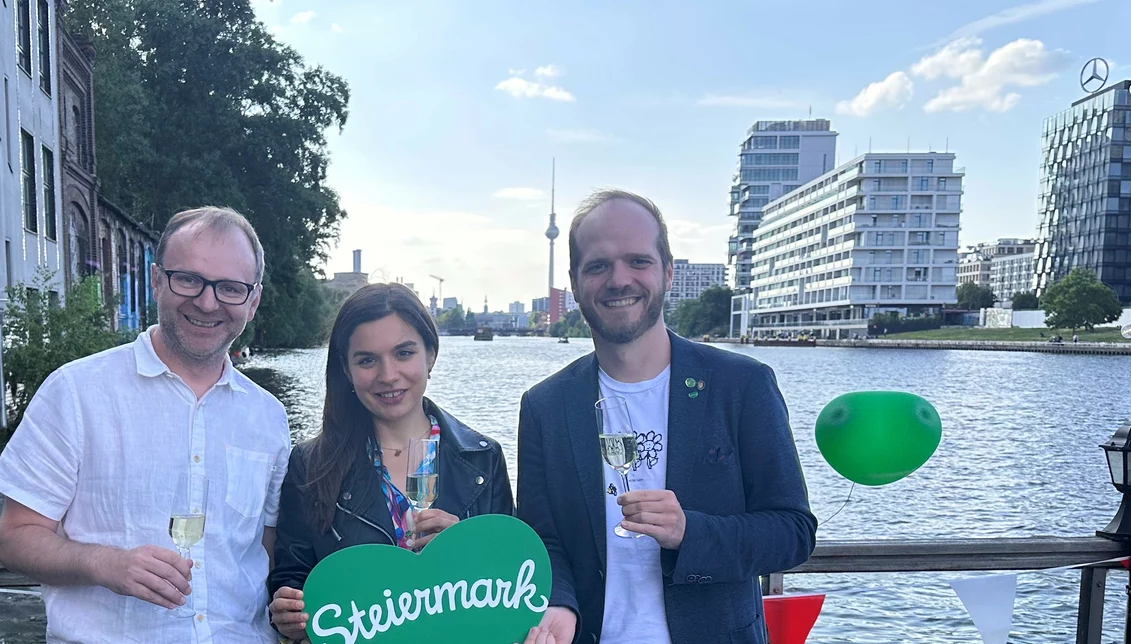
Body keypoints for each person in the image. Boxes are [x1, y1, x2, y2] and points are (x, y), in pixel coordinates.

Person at [516, 190, 817, 644]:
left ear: (668, 273)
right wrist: (559, 602)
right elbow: (544, 541)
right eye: (598, 265)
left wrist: (689, 532)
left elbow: (793, 532)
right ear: (575, 285)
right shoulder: (545, 406)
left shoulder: (741, 385)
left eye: (638, 261)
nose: (619, 280)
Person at [0, 207, 292, 643]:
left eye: (230, 288)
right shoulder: (76, 392)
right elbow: (15, 538)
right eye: (188, 279)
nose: (208, 302)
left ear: (253, 300)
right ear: (156, 279)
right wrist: (105, 563)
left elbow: (263, 549)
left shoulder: (268, 417)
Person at [265, 283, 515, 640]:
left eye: (403, 353)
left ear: (430, 354)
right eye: (367, 359)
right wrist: (286, 611)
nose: (388, 375)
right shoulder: (310, 465)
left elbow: (510, 585)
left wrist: (467, 549)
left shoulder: (483, 458)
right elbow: (292, 578)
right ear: (347, 371)